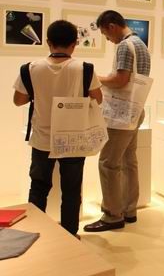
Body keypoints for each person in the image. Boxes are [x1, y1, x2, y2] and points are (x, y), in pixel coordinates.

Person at [13, 20, 103, 237]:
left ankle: (34, 234)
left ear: (48, 42)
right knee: (71, 191)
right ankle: (70, 235)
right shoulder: (85, 69)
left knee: (38, 188)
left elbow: (18, 100)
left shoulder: (30, 69)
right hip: (73, 139)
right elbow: (98, 98)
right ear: (75, 44)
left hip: (42, 139)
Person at [84, 10, 151, 233]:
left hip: (120, 115)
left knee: (108, 163)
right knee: (129, 160)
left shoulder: (124, 45)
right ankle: (129, 209)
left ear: (112, 26)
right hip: (136, 111)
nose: (108, 39)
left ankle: (112, 215)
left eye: (106, 34)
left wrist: (96, 78)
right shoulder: (140, 44)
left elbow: (120, 80)